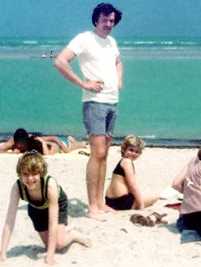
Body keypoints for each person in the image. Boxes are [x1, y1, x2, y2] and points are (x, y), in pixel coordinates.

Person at [54, 3, 123, 221]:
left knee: (105, 155)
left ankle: (100, 202)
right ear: (96, 20)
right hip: (95, 103)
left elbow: (118, 62)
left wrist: (119, 79)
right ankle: (92, 206)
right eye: (105, 20)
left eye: (112, 20)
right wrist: (83, 83)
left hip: (112, 101)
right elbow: (60, 62)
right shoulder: (84, 39)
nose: (109, 24)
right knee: (97, 154)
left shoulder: (111, 42)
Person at [0, 151, 91, 265]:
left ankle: (74, 235)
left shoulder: (50, 185)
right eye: (25, 174)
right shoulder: (17, 187)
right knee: (48, 244)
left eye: (34, 173)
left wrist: (50, 257)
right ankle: (66, 229)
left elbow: (52, 222)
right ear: (20, 175)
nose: (30, 178)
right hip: (35, 208)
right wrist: (3, 254)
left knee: (59, 244)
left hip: (57, 203)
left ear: (41, 173)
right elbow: (9, 221)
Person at [105, 135, 158, 210]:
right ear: (124, 149)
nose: (133, 153)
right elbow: (133, 185)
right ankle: (134, 205)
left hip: (109, 200)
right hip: (121, 201)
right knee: (154, 197)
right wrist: (141, 206)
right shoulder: (127, 162)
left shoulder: (122, 161)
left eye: (136, 152)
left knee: (145, 195)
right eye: (131, 150)